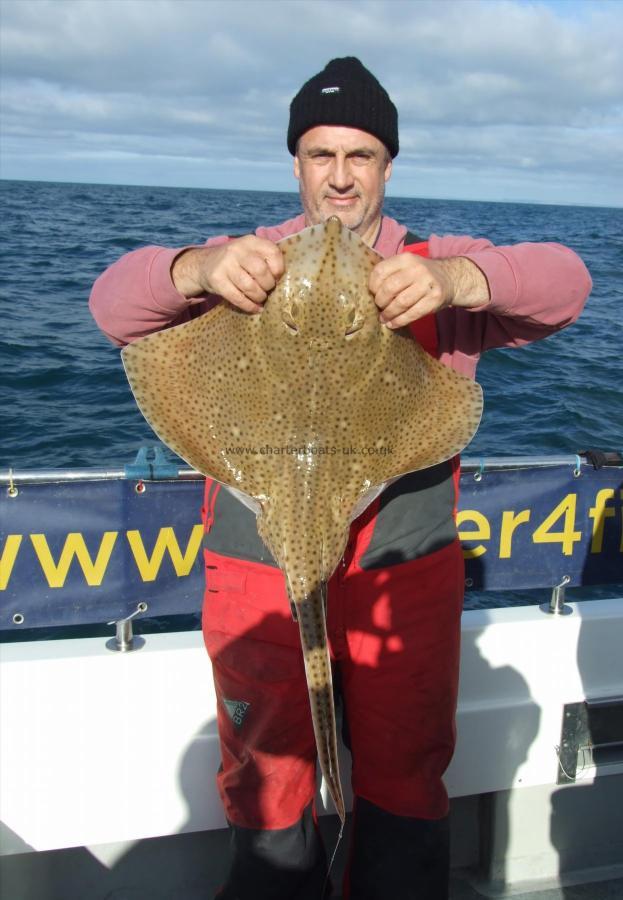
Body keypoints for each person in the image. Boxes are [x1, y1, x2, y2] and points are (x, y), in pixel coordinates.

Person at [90, 57, 591, 900]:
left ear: (387, 165)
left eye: (359, 155)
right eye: (321, 155)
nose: (340, 176)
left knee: (401, 775)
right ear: (296, 164)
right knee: (269, 778)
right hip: (258, 558)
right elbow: (112, 307)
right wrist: (195, 270)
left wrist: (456, 280)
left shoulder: (439, 266)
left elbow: (566, 283)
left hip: (401, 571)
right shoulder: (244, 265)